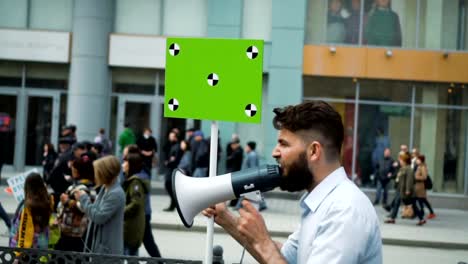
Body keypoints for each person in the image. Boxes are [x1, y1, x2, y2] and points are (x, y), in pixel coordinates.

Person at [203, 101, 382, 263]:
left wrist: (263, 242)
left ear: (313, 151)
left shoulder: (344, 210)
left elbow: (272, 254)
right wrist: (225, 218)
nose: (275, 152)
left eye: (284, 144)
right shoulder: (323, 202)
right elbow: (286, 257)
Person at [75, 156, 125, 255]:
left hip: (108, 253)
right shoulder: (105, 188)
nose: (95, 175)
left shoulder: (115, 193)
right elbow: (95, 210)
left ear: (105, 173)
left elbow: (99, 217)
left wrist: (84, 199)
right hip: (98, 248)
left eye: (97, 171)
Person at [55, 153, 96, 252]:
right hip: (68, 232)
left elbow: (84, 208)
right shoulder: (76, 185)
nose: (72, 171)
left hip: (76, 235)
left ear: (78, 171)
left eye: (74, 169)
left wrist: (67, 201)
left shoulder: (85, 188)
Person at [9, 173, 52, 249]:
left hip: (25, 248)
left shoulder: (27, 206)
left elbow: (21, 227)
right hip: (42, 245)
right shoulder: (48, 201)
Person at [385, 152, 426, 226]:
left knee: (413, 205)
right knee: (397, 202)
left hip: (406, 191)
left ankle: (421, 219)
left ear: (404, 161)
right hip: (400, 190)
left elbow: (409, 180)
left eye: (401, 160)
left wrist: (408, 190)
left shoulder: (408, 169)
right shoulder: (402, 168)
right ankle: (392, 218)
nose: (399, 161)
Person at [122, 153, 149, 256]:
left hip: (131, 228)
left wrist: (121, 212)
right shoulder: (131, 181)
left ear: (131, 165)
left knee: (130, 256)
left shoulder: (135, 183)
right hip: (130, 226)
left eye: (125, 162)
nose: (123, 165)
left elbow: (136, 203)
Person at [163, 132, 183, 211]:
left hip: (172, 168)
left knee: (169, 185)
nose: (170, 138)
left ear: (175, 137)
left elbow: (174, 158)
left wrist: (169, 162)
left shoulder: (177, 146)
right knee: (169, 185)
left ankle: (174, 203)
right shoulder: (171, 145)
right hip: (170, 168)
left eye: (171, 136)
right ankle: (173, 203)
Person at [414, 155, 436, 219]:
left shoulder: (423, 167)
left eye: (418, 159)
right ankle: (423, 212)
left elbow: (424, 177)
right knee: (421, 200)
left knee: (422, 199)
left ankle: (430, 212)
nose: (416, 161)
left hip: (421, 186)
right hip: (418, 186)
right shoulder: (419, 166)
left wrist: (416, 177)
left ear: (421, 160)